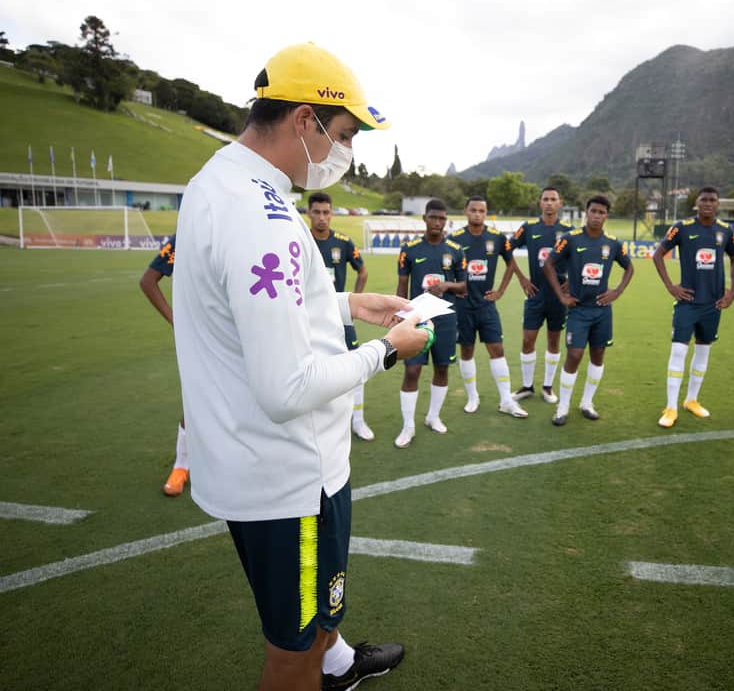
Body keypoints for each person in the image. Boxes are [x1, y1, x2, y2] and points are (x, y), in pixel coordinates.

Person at [172, 42, 429, 691]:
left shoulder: (220, 182)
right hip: (290, 478)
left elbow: (249, 305)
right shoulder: (262, 215)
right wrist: (387, 349)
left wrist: (344, 301)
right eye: (343, 135)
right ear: (305, 121)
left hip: (254, 464)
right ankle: (324, 664)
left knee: (319, 620)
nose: (346, 153)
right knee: (294, 650)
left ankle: (339, 665)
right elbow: (287, 390)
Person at [652, 186, 734, 428]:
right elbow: (658, 255)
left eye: (713, 200)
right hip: (687, 302)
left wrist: (732, 292)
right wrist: (671, 286)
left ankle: (691, 400)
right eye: (704, 200)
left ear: (718, 204)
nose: (708, 204)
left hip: (713, 304)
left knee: (703, 352)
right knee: (678, 351)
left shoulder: (725, 230)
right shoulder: (682, 227)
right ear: (696, 203)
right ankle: (670, 407)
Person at [545, 195, 634, 425]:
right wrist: (561, 296)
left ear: (606, 215)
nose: (597, 216)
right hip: (578, 310)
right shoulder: (570, 239)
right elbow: (548, 264)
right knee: (574, 355)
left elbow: (629, 268)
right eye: (593, 211)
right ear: (586, 212)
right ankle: (562, 408)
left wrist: (617, 291)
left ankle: (587, 403)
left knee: (598, 356)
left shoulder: (613, 243)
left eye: (601, 212)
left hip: (602, 311)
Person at [449, 196, 529, 418]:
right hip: (462, 306)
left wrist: (501, 290)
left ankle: (506, 400)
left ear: (486, 213)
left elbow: (511, 262)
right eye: (473, 210)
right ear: (466, 211)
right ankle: (472, 396)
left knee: (497, 350)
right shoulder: (454, 239)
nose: (477, 214)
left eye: (481, 211)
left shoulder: (496, 237)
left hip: (486, 305)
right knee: (466, 350)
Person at [395, 198, 467, 448]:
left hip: (446, 319)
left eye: (442, 218)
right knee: (412, 370)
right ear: (424, 218)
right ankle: (408, 426)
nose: (437, 222)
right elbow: (402, 285)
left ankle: (433, 417)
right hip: (417, 319)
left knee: (442, 368)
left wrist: (447, 285)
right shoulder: (410, 249)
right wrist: (399, 313)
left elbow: (464, 285)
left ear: (446, 221)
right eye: (433, 217)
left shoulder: (456, 250)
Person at [306, 191, 374, 441]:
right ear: (308, 213)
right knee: (311, 370)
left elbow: (363, 271)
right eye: (317, 212)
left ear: (331, 214)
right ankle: (320, 425)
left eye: (326, 212)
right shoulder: (301, 240)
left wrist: (352, 302)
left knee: (355, 366)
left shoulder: (343, 242)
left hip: (339, 317)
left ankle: (358, 420)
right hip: (308, 319)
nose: (322, 218)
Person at [509, 187, 574, 404]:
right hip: (535, 294)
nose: (548, 203)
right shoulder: (529, 228)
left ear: (560, 203)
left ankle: (547, 387)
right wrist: (522, 278)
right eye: (545, 199)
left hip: (558, 297)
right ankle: (527, 386)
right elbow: (506, 250)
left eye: (553, 199)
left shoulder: (568, 230)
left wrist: (571, 282)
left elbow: (580, 258)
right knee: (528, 340)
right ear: (540, 203)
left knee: (554, 341)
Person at [138, 234, 188, 496]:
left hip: (237, 332)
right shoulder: (185, 237)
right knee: (196, 399)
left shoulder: (240, 232)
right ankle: (181, 466)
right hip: (199, 338)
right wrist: (176, 320)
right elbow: (148, 281)